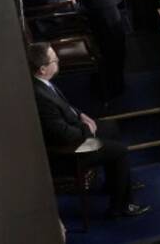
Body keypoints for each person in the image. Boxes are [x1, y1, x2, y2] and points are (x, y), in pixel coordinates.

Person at [28, 42, 150, 218]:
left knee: (111, 127)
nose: (58, 60)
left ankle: (115, 183)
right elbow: (64, 135)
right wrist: (87, 129)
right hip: (72, 150)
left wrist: (80, 114)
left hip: (76, 129)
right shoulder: (41, 98)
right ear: (42, 69)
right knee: (120, 151)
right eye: (54, 59)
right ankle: (121, 206)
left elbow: (64, 106)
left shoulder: (42, 83)